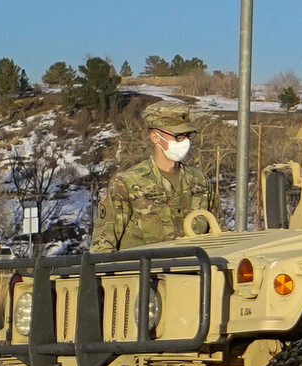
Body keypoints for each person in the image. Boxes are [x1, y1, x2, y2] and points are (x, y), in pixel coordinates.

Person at [92, 101, 219, 252]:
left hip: (195, 272)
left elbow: (219, 235)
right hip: (144, 273)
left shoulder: (200, 182)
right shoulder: (127, 184)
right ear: (155, 137)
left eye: (187, 136)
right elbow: (102, 247)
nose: (185, 142)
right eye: (178, 137)